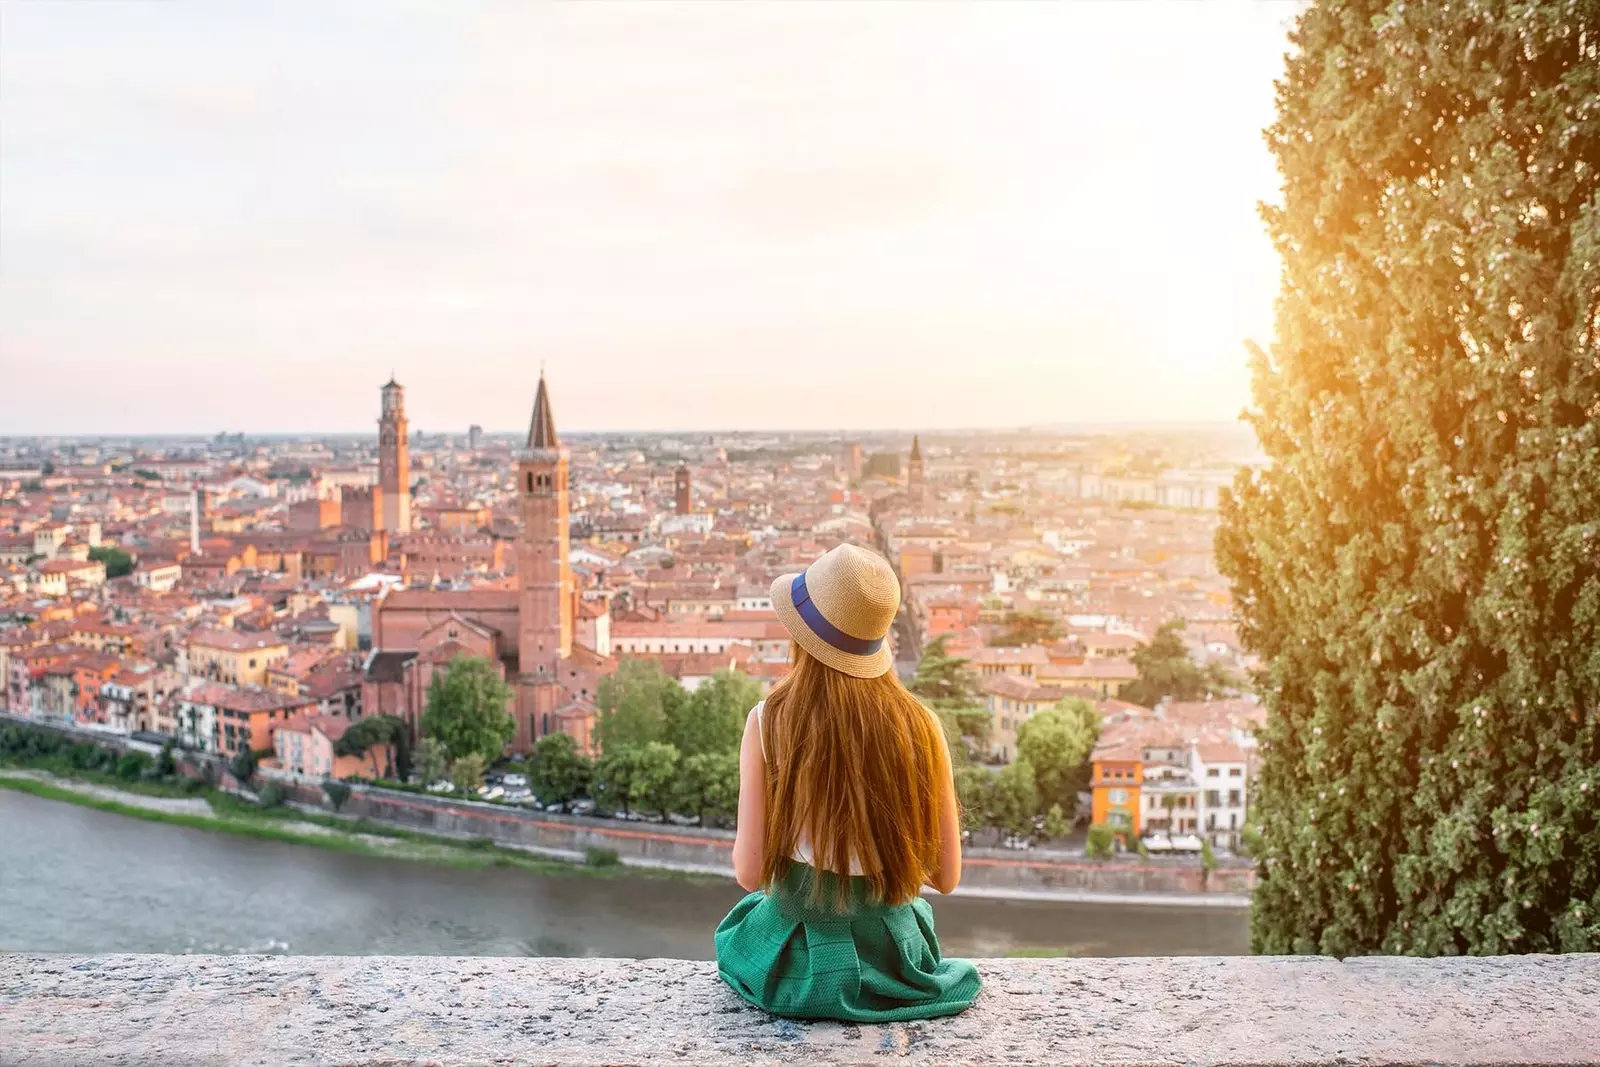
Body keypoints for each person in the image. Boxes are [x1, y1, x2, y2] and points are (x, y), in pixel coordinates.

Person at [714, 543, 981, 1021]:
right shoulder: (921, 726)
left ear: (801, 637)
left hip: (799, 964)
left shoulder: (766, 722)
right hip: (894, 961)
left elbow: (749, 874)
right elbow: (947, 877)